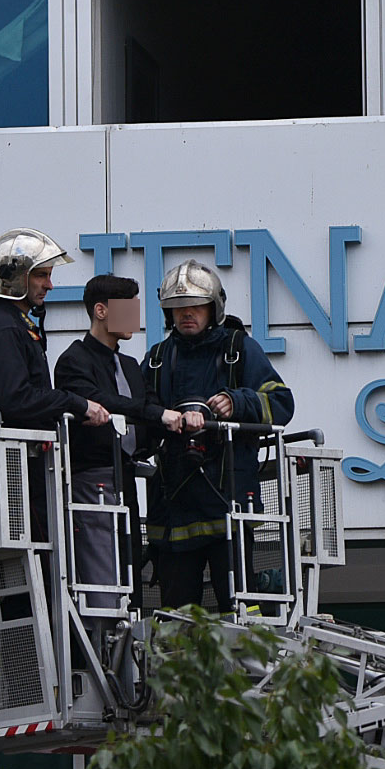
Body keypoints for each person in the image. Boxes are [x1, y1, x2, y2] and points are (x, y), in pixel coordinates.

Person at [142, 261, 293, 612]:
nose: (186, 314)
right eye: (178, 307)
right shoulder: (157, 359)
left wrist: (237, 402)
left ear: (214, 308)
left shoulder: (240, 350)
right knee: (177, 620)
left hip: (229, 503)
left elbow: (282, 403)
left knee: (241, 611)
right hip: (174, 507)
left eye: (196, 306)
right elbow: (142, 415)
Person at [55, 274, 194, 610]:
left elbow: (150, 408)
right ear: (101, 311)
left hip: (127, 475)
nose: (135, 317)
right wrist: (157, 414)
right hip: (93, 477)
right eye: (128, 308)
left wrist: (185, 417)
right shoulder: (74, 361)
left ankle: (129, 631)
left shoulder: (131, 365)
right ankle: (103, 635)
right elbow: (106, 401)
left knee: (129, 559)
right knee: (102, 567)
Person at [0, 228, 108, 542]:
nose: (49, 285)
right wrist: (76, 403)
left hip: (25, 468)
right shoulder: (5, 328)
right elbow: (15, 399)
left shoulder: (10, 324)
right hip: (20, 474)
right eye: (41, 275)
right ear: (17, 278)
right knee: (39, 560)